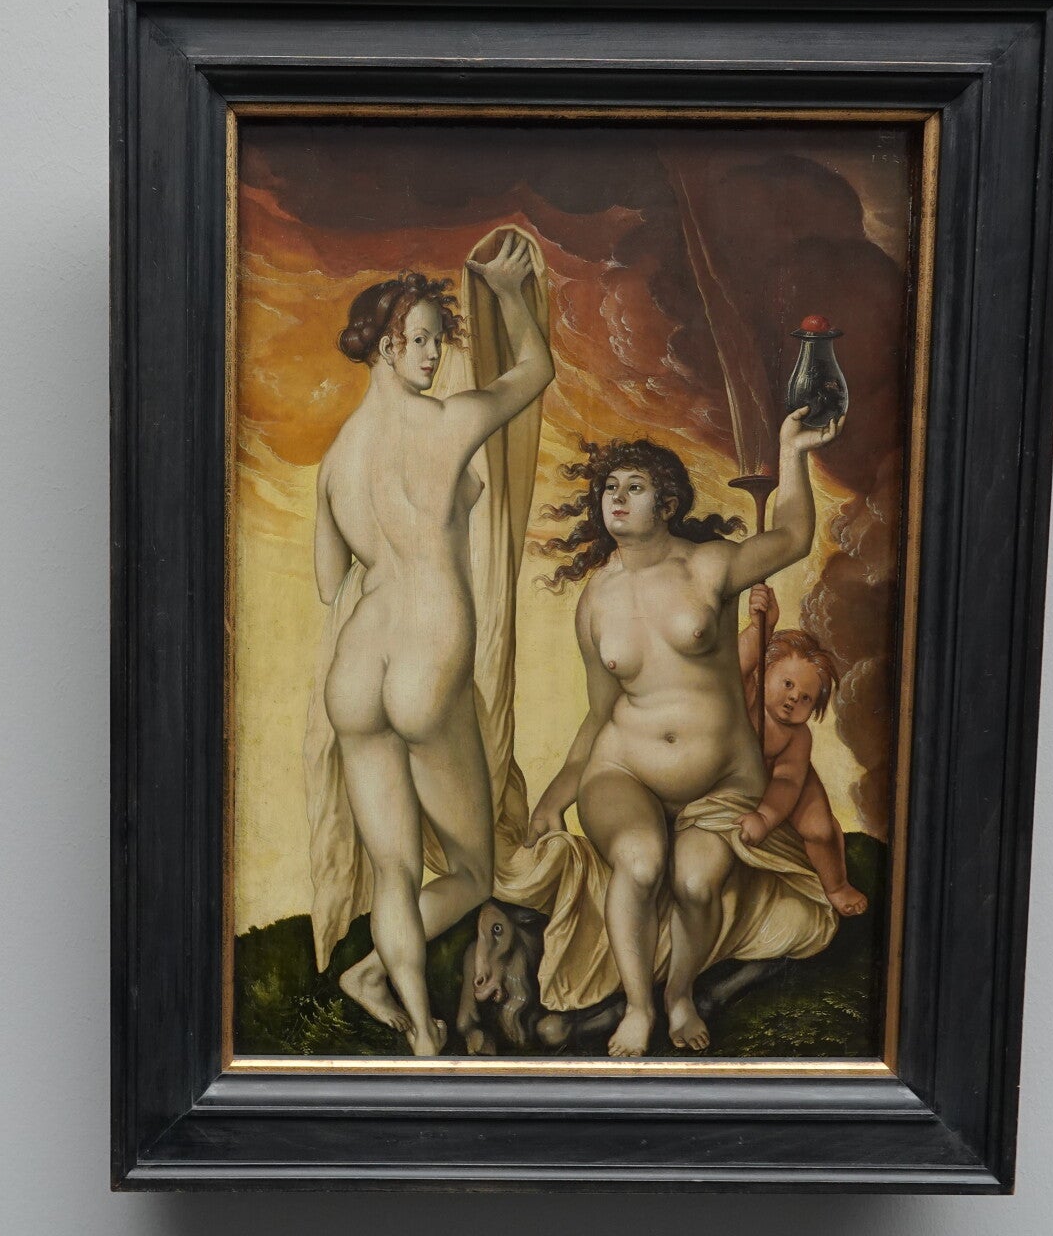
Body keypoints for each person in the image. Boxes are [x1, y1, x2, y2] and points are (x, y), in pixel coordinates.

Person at [526, 408, 840, 1055]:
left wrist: (792, 450)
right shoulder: (595, 601)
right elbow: (599, 713)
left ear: (666, 502)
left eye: (634, 486)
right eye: (609, 488)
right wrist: (554, 799)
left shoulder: (709, 567)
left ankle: (678, 995)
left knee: (696, 883)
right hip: (624, 769)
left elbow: (792, 536)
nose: (617, 497)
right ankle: (639, 1007)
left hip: (722, 778)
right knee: (639, 862)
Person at [314, 233, 553, 1055]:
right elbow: (535, 373)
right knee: (474, 874)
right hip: (426, 655)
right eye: (418, 339)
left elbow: (328, 580)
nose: (433, 354)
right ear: (384, 348)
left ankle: (416, 1024)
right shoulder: (448, 423)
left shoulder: (336, 459)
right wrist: (511, 292)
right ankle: (395, 993)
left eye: (437, 340)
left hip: (356, 667)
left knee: (393, 868)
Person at [737, 586, 868, 917]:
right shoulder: (746, 695)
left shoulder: (797, 737)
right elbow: (735, 663)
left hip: (787, 778)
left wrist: (765, 818)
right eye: (788, 684)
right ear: (763, 672)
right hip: (740, 774)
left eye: (807, 697)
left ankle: (836, 886)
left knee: (820, 831)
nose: (795, 697)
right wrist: (762, 628)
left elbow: (787, 782)